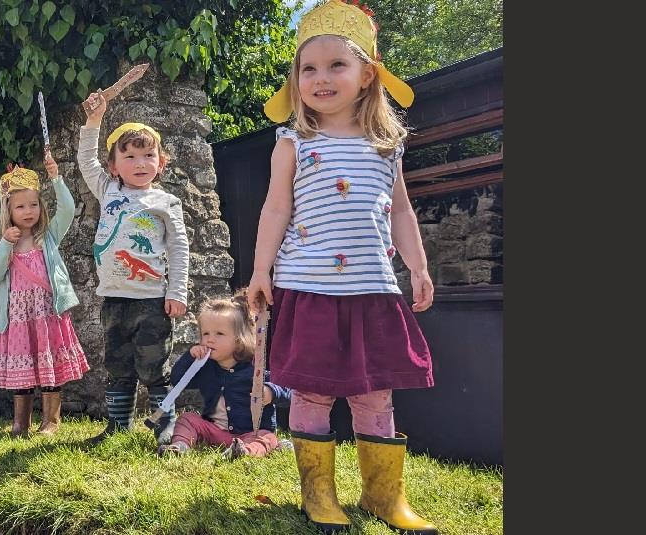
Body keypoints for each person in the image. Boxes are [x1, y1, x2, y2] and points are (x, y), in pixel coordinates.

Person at [248, 1, 438, 533]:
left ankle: (384, 496)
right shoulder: (292, 142)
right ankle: (319, 495)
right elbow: (275, 209)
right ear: (296, 81)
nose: (321, 78)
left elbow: (401, 210)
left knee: (376, 391)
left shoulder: (388, 146)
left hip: (373, 287)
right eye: (309, 68)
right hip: (308, 287)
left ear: (366, 75)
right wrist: (261, 272)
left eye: (337, 65)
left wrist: (418, 267)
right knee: (312, 390)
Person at [77, 90, 189, 445]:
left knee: (155, 367)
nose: (140, 162)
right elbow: (84, 160)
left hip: (152, 301)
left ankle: (164, 426)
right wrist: (94, 121)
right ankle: (117, 426)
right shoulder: (107, 190)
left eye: (148, 155)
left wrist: (178, 291)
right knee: (118, 366)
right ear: (113, 165)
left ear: (161, 162)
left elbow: (178, 246)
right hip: (114, 300)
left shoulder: (166, 201)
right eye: (129, 156)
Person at [0, 152, 89, 437]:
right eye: (20, 206)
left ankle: (51, 421)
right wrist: (5, 244)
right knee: (24, 369)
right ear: (8, 210)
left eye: (33, 205)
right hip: (19, 319)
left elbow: (66, 209)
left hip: (47, 314)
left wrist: (56, 178)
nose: (28, 211)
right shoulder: (1, 245)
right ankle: (21, 422)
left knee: (50, 365)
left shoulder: (49, 236)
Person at [157, 291, 292, 459]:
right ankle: (179, 446)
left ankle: (244, 452)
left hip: (250, 433)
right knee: (187, 418)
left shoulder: (256, 368)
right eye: (206, 333)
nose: (209, 339)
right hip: (215, 431)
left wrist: (271, 392)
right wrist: (189, 357)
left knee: (267, 437)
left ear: (239, 339)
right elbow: (178, 381)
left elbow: (289, 393)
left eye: (219, 334)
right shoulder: (206, 367)